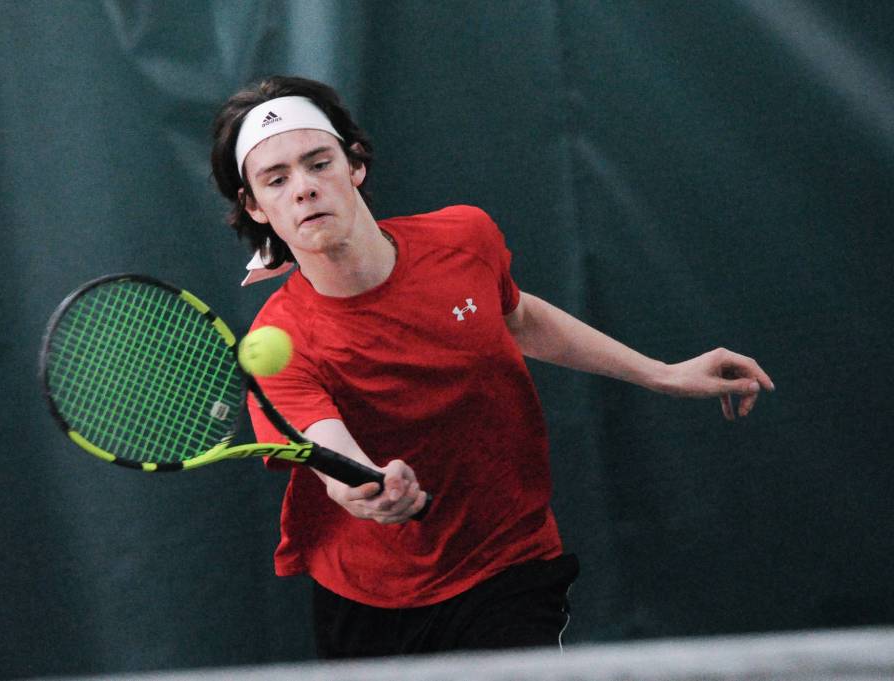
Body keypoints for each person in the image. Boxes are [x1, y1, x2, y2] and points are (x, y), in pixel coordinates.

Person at [209, 76, 773, 659]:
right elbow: (336, 463)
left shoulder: (465, 237)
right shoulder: (278, 342)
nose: (303, 189)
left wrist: (664, 372)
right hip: (368, 599)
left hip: (508, 565)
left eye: (318, 163)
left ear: (355, 166)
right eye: (276, 179)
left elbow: (518, 318)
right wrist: (373, 489)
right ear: (255, 206)